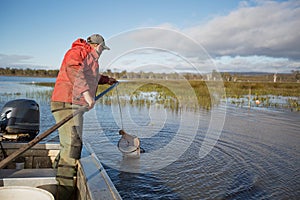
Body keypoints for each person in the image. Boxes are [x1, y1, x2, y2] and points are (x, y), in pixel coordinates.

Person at [51, 34, 117, 199]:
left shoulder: (91, 59)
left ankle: (57, 172)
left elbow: (91, 76)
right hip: (66, 103)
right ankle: (64, 193)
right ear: (96, 46)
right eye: (102, 48)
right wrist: (87, 95)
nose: (102, 51)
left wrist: (107, 80)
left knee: (70, 143)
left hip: (73, 105)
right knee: (72, 146)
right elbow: (74, 70)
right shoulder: (78, 51)